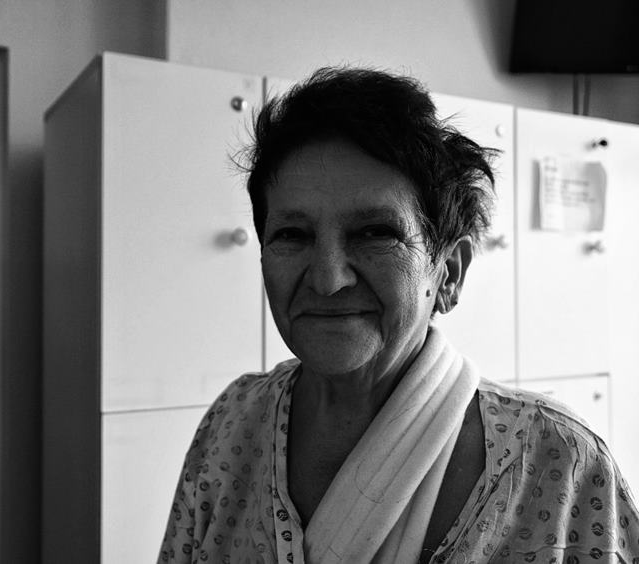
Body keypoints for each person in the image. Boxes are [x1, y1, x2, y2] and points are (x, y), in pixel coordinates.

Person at [158, 67, 639, 563]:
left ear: (449, 273)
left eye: (375, 233)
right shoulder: (232, 424)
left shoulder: (557, 462)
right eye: (292, 235)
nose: (327, 279)